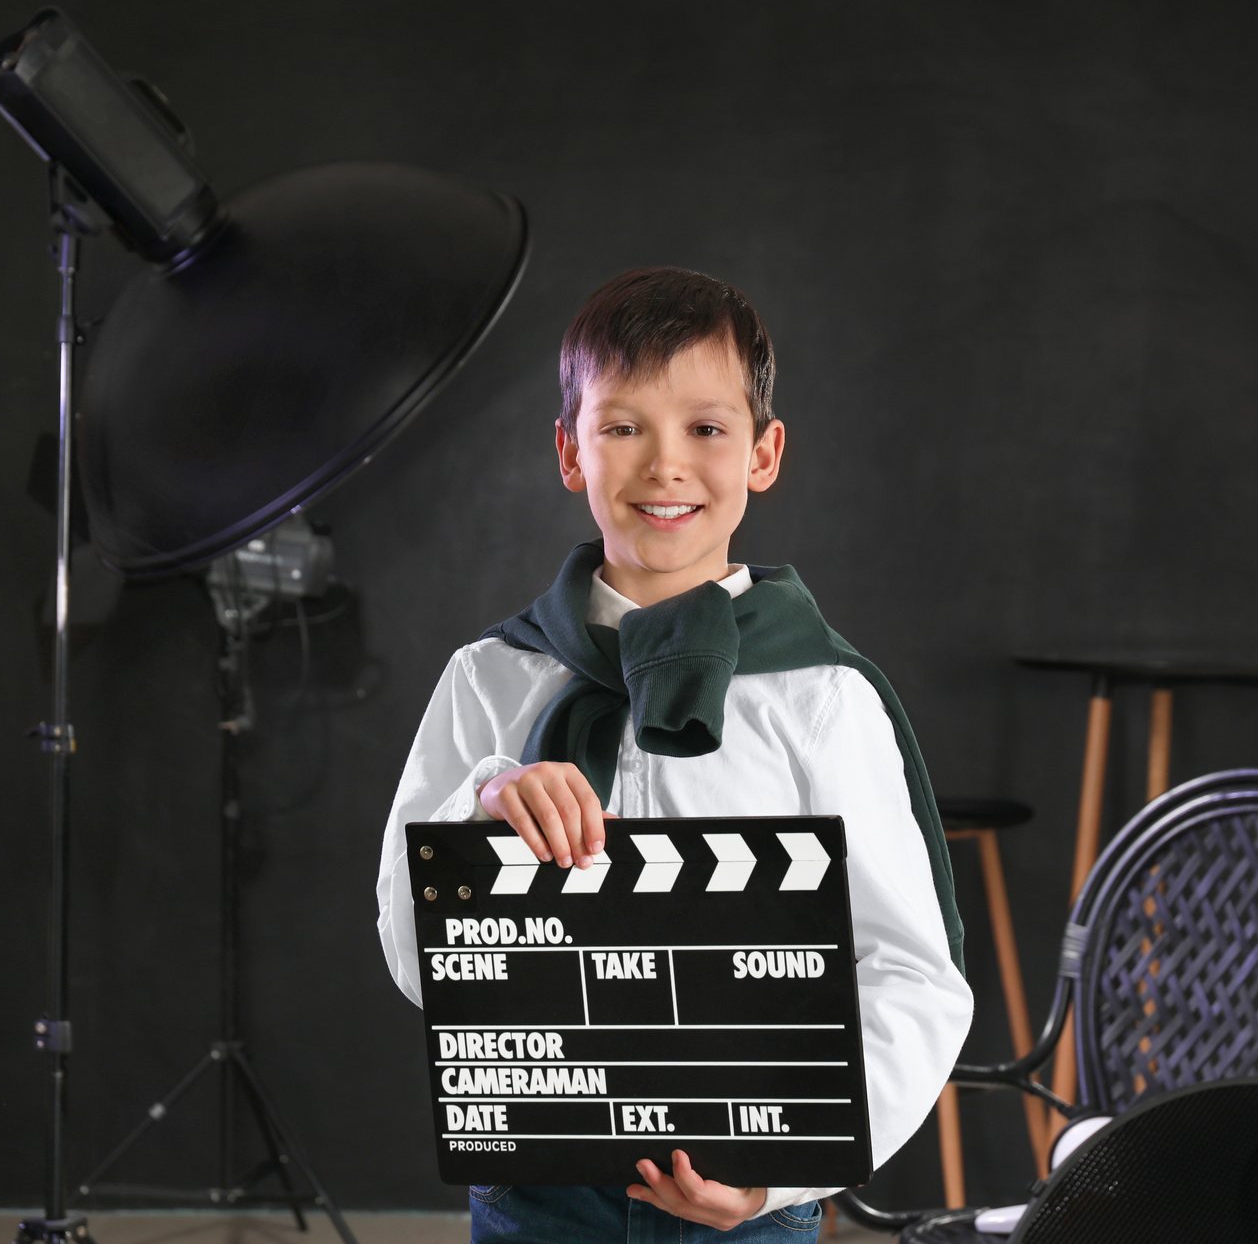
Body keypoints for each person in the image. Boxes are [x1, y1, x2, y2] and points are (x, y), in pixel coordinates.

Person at [374, 267, 973, 1240]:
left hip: (744, 1208)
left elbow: (912, 973)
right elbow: (413, 957)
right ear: (570, 452)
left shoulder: (819, 696)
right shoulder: (490, 681)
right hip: (537, 1200)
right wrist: (487, 817)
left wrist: (778, 1175)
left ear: (764, 453)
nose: (665, 465)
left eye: (706, 427)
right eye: (622, 427)